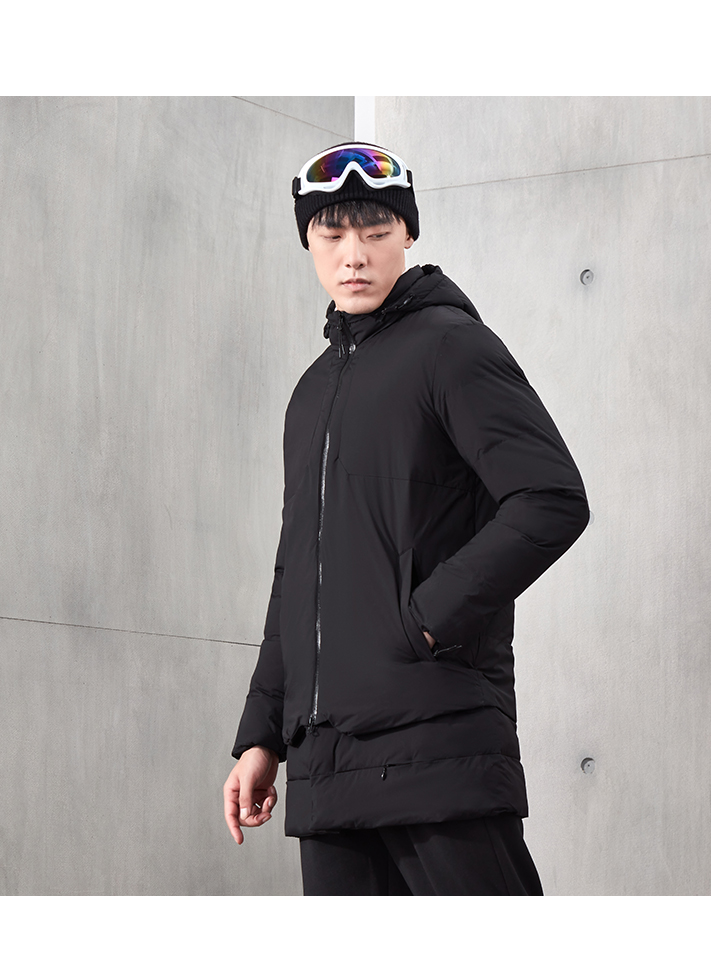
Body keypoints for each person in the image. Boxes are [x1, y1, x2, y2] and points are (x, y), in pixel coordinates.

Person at [223, 143, 589, 895]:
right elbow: (297, 572)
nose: (353, 254)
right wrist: (263, 734)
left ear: (408, 235)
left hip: (437, 742)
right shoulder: (310, 393)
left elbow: (551, 497)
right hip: (327, 763)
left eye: (376, 232)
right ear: (308, 242)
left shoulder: (451, 347)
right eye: (332, 234)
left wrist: (421, 622)